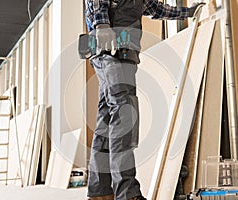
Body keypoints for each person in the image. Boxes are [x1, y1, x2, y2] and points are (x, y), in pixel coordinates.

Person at [85, 0, 205, 199]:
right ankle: (127, 193)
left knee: (107, 120)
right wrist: (101, 25)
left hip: (125, 53)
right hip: (109, 51)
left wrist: (188, 12)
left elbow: (157, 10)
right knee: (124, 115)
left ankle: (100, 191)